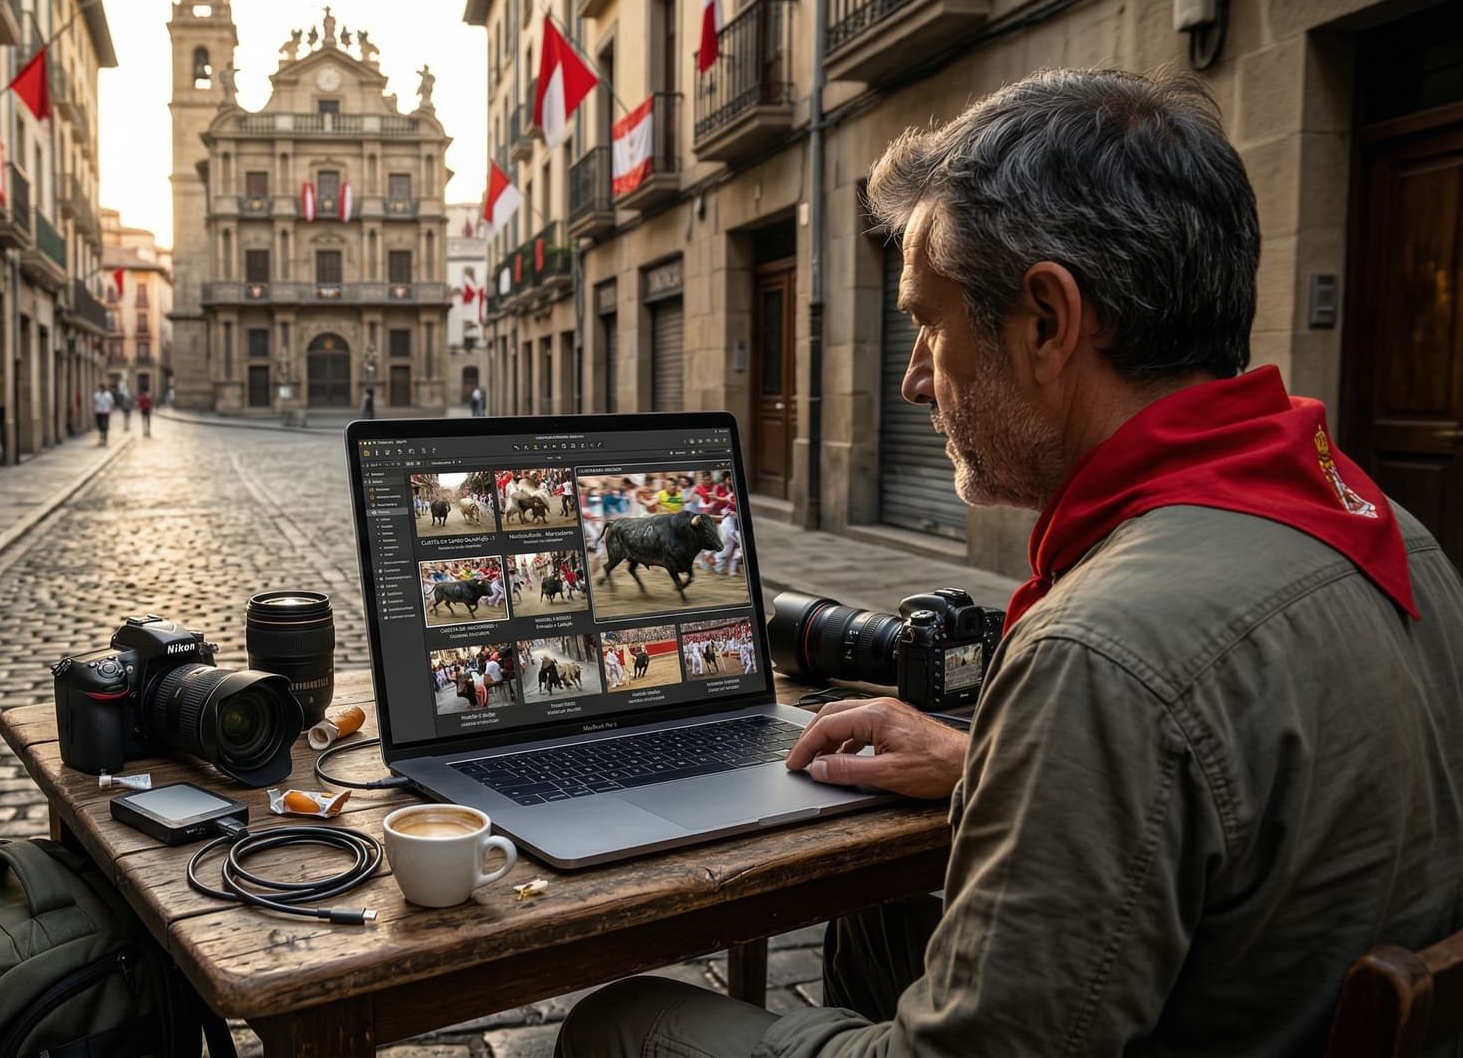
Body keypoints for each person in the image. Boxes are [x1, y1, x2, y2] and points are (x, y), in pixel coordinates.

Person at [557, 68, 1463, 1058]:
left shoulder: (1101, 651)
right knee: (887, 915)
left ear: (1046, 322)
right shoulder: (1394, 530)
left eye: (927, 319)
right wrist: (983, 764)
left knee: (624, 1021)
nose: (910, 376)